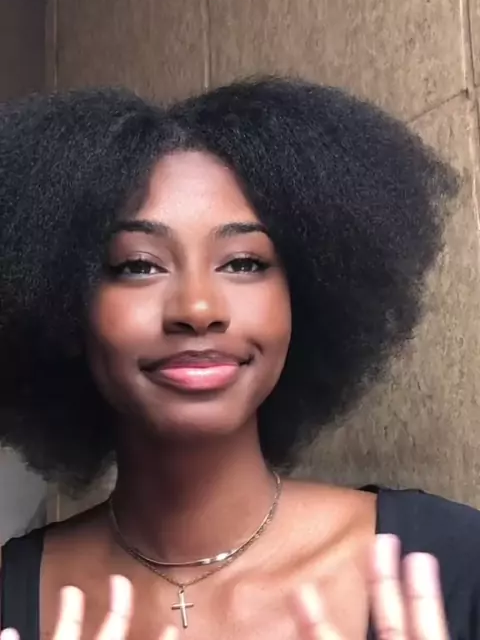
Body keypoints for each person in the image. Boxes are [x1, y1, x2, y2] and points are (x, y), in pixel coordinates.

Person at [0, 74, 479, 640]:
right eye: (138, 265)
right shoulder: (11, 595)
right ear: (60, 306)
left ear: (304, 298)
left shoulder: (454, 562)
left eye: (244, 263)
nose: (198, 309)